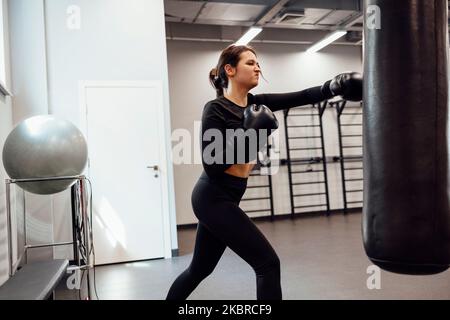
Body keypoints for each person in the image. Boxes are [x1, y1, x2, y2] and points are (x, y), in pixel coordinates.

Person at [166, 44, 362, 300]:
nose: (257, 67)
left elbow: (302, 95)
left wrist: (332, 87)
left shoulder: (257, 104)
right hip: (212, 197)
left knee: (199, 269)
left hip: (230, 195)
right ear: (230, 70)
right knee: (268, 264)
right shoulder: (215, 109)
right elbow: (212, 166)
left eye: (258, 63)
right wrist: (251, 133)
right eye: (250, 63)